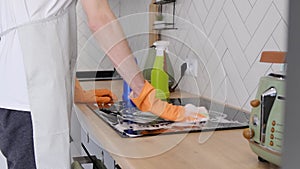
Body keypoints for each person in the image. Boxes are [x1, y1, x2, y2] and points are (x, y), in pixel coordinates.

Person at [0, 0, 208, 169]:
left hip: (12, 101)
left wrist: (78, 93)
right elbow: (100, 19)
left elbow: (37, 32)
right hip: (31, 105)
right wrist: (145, 94)